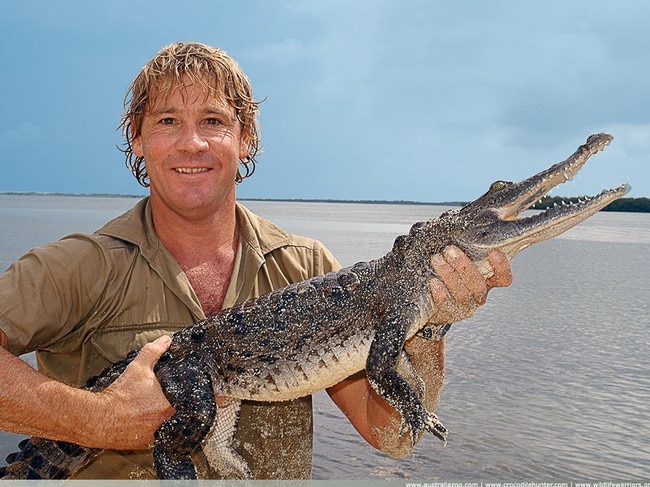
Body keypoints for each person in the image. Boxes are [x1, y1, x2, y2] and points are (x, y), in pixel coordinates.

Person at [0, 42, 513, 479]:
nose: (192, 142)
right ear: (138, 137)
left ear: (246, 139)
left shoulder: (309, 268)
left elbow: (391, 436)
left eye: (213, 121)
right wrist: (97, 419)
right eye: (167, 120)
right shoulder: (74, 267)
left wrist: (430, 325)